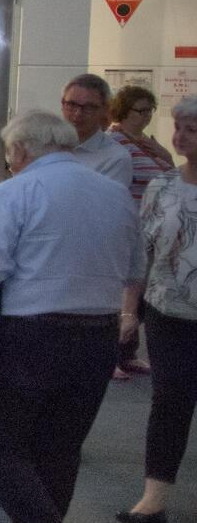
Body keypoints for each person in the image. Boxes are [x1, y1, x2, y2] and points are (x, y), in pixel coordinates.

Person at [0, 109, 144, 523]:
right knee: (60, 447)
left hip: (30, 335)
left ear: (20, 150)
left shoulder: (15, 192)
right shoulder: (115, 194)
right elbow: (136, 267)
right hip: (97, 336)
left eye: (9, 154)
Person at [116, 96, 197, 523]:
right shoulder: (163, 186)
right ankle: (153, 499)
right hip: (169, 314)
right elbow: (142, 255)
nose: (180, 137)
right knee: (169, 404)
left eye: (192, 130)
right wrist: (130, 313)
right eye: (179, 127)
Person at [109, 84, 175, 380]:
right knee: (120, 293)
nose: (147, 116)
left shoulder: (147, 142)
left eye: (150, 110)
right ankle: (110, 355)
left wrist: (165, 156)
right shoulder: (116, 144)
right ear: (124, 111)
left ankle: (127, 352)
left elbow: (169, 176)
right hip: (126, 226)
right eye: (141, 110)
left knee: (138, 293)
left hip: (151, 229)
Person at [62, 73, 136, 192]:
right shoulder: (44, 147)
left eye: (89, 107)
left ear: (105, 110)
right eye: (71, 105)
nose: (77, 114)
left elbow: (102, 206)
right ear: (62, 104)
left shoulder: (115, 158)